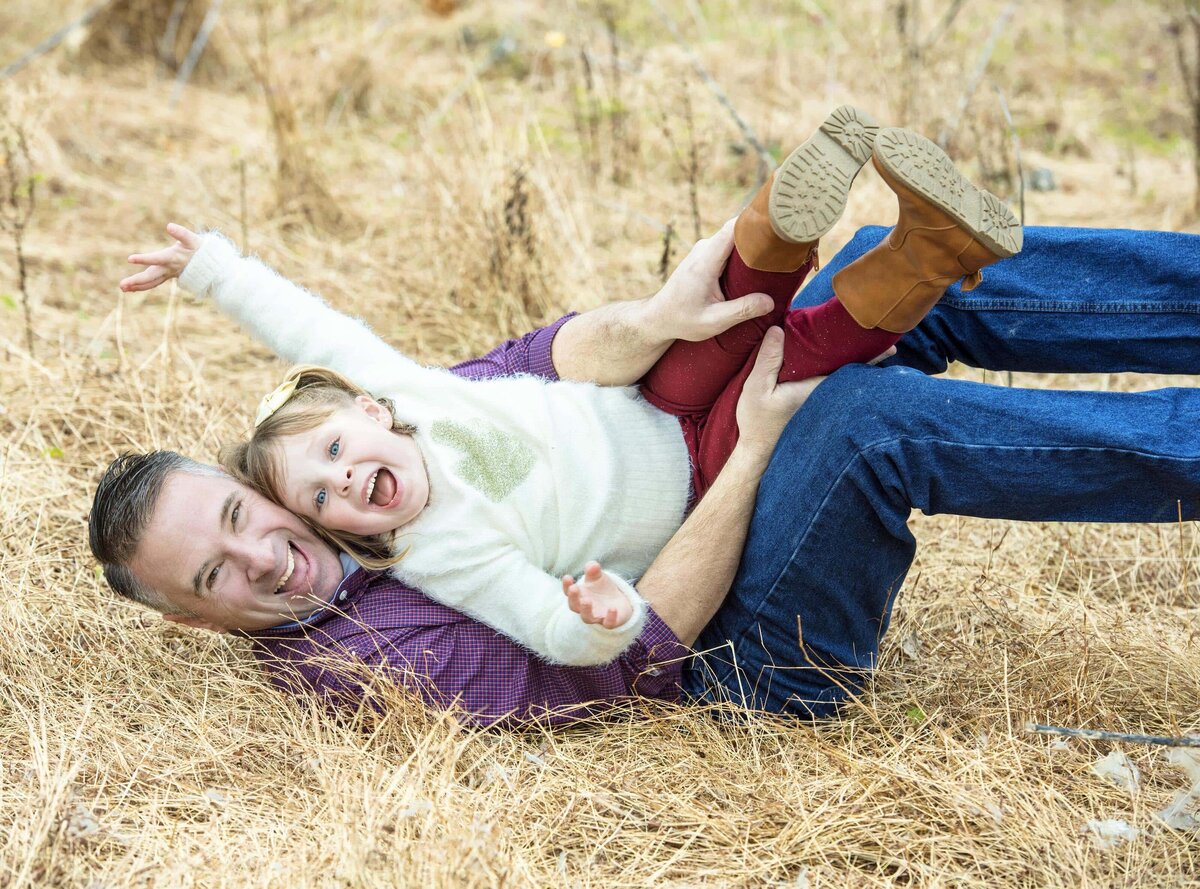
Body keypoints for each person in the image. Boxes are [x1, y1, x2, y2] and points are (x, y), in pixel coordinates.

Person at [90, 215, 1200, 727]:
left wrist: (665, 318)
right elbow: (638, 647)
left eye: (238, 516)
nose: (266, 555)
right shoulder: (367, 655)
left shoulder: (350, 470)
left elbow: (524, 373)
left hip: (677, 479)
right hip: (734, 665)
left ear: (250, 487)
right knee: (854, 413)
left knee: (871, 271)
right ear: (195, 620)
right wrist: (756, 441)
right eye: (216, 575)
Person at [112, 109, 1020, 668]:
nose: (343, 479)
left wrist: (213, 269)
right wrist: (606, 616)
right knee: (805, 352)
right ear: (337, 528)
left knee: (730, 305)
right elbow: (549, 626)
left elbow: (310, 328)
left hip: (650, 400)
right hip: (699, 476)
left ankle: (788, 213)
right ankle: (934, 248)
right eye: (321, 495)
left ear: (367, 407)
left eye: (336, 451)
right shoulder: (439, 556)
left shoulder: (410, 391)